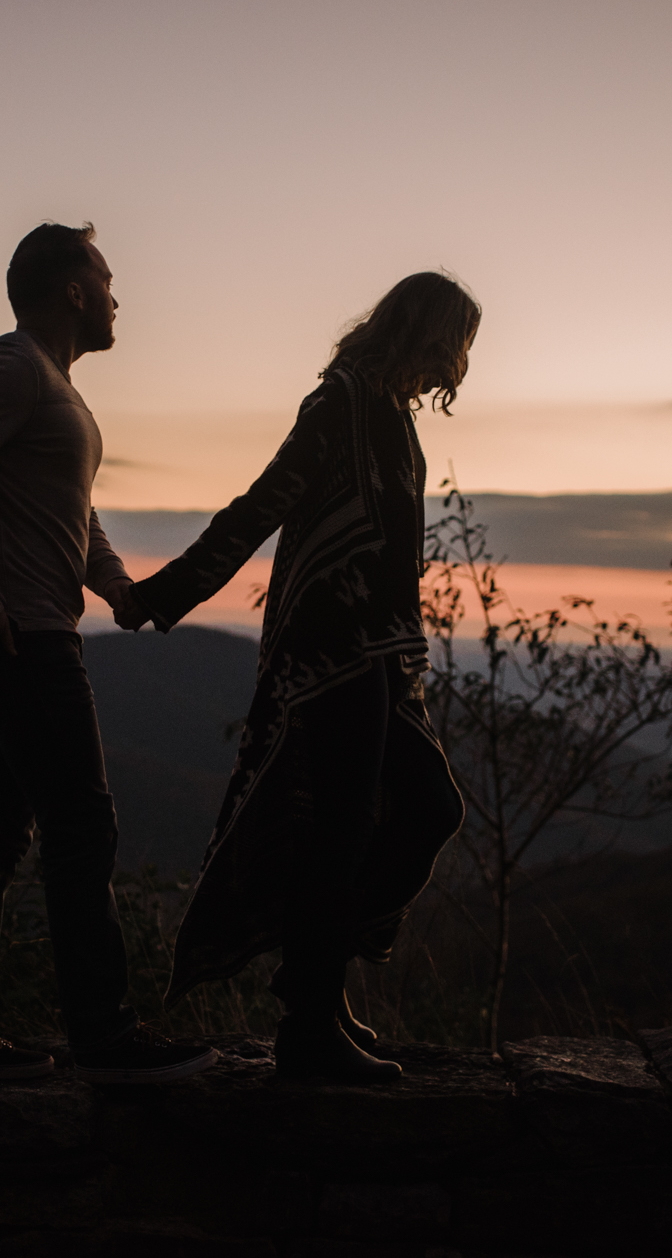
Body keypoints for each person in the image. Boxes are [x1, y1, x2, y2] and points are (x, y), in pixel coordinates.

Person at [118, 271, 476, 1082]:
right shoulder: (340, 401)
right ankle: (309, 1025)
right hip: (326, 652)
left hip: (383, 653)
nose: (458, 362)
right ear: (425, 333)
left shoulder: (391, 413)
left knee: (429, 806)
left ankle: (311, 979)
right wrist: (164, 594)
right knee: (341, 828)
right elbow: (260, 506)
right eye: (456, 342)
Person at [0, 221, 217, 1085]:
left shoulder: (52, 387)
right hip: (17, 639)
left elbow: (70, 515)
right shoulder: (10, 367)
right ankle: (106, 1038)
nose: (119, 296)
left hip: (19, 630)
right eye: (107, 278)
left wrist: (116, 586)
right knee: (81, 828)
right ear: (72, 290)